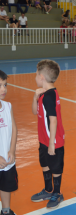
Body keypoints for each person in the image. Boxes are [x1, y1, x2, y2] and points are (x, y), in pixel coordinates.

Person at [31, 60, 65, 209]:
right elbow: (35, 112)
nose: (35, 77)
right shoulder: (44, 94)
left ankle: (57, 193)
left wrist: (52, 142)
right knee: (44, 164)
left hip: (53, 140)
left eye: (36, 74)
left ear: (42, 77)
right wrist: (34, 97)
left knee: (56, 168)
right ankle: (48, 190)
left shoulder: (50, 96)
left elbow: (53, 120)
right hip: (44, 139)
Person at [0, 70, 18, 215]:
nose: (3, 89)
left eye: (5, 85)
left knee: (6, 185)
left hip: (7, 159)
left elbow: (13, 128)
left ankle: (5, 210)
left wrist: (11, 150)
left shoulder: (7, 106)